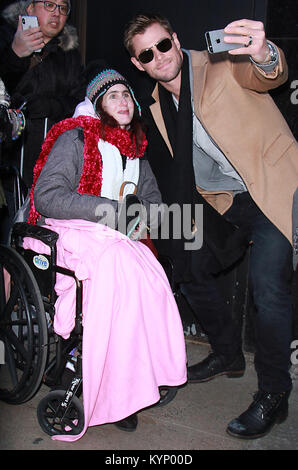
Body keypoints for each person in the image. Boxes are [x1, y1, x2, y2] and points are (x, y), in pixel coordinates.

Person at [124, 13, 298, 439]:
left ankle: (274, 393)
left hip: (269, 187)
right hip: (222, 202)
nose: (159, 57)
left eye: (163, 45)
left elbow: (266, 74)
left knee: (268, 289)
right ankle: (226, 353)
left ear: (176, 39)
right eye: (147, 53)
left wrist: (264, 52)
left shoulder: (219, 62)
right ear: (139, 64)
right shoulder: (153, 105)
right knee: (184, 260)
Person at [23, 63, 187, 441]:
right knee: (121, 264)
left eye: (127, 94)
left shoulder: (136, 154)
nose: (123, 100)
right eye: (112, 95)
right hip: (66, 233)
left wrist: (137, 218)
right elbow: (47, 197)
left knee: (149, 271)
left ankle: (128, 382)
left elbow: (155, 207)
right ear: (96, 105)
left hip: (115, 239)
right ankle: (97, 381)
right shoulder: (76, 139)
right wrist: (109, 212)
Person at [0, 0, 84, 242]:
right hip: (10, 161)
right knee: (9, 235)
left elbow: (79, 102)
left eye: (63, 7)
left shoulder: (69, 52)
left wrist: (49, 106)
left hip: (51, 161)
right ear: (29, 8)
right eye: (49, 4)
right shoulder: (6, 39)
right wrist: (16, 54)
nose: (56, 13)